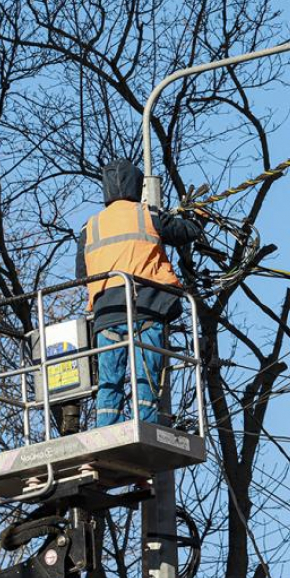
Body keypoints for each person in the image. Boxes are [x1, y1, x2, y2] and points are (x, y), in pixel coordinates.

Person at [76, 158, 203, 427]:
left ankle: (105, 430)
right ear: (136, 185)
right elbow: (184, 232)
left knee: (109, 380)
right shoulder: (147, 214)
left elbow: (81, 274)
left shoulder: (90, 227)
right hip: (146, 307)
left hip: (106, 315)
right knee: (146, 375)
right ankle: (146, 424)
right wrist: (198, 217)